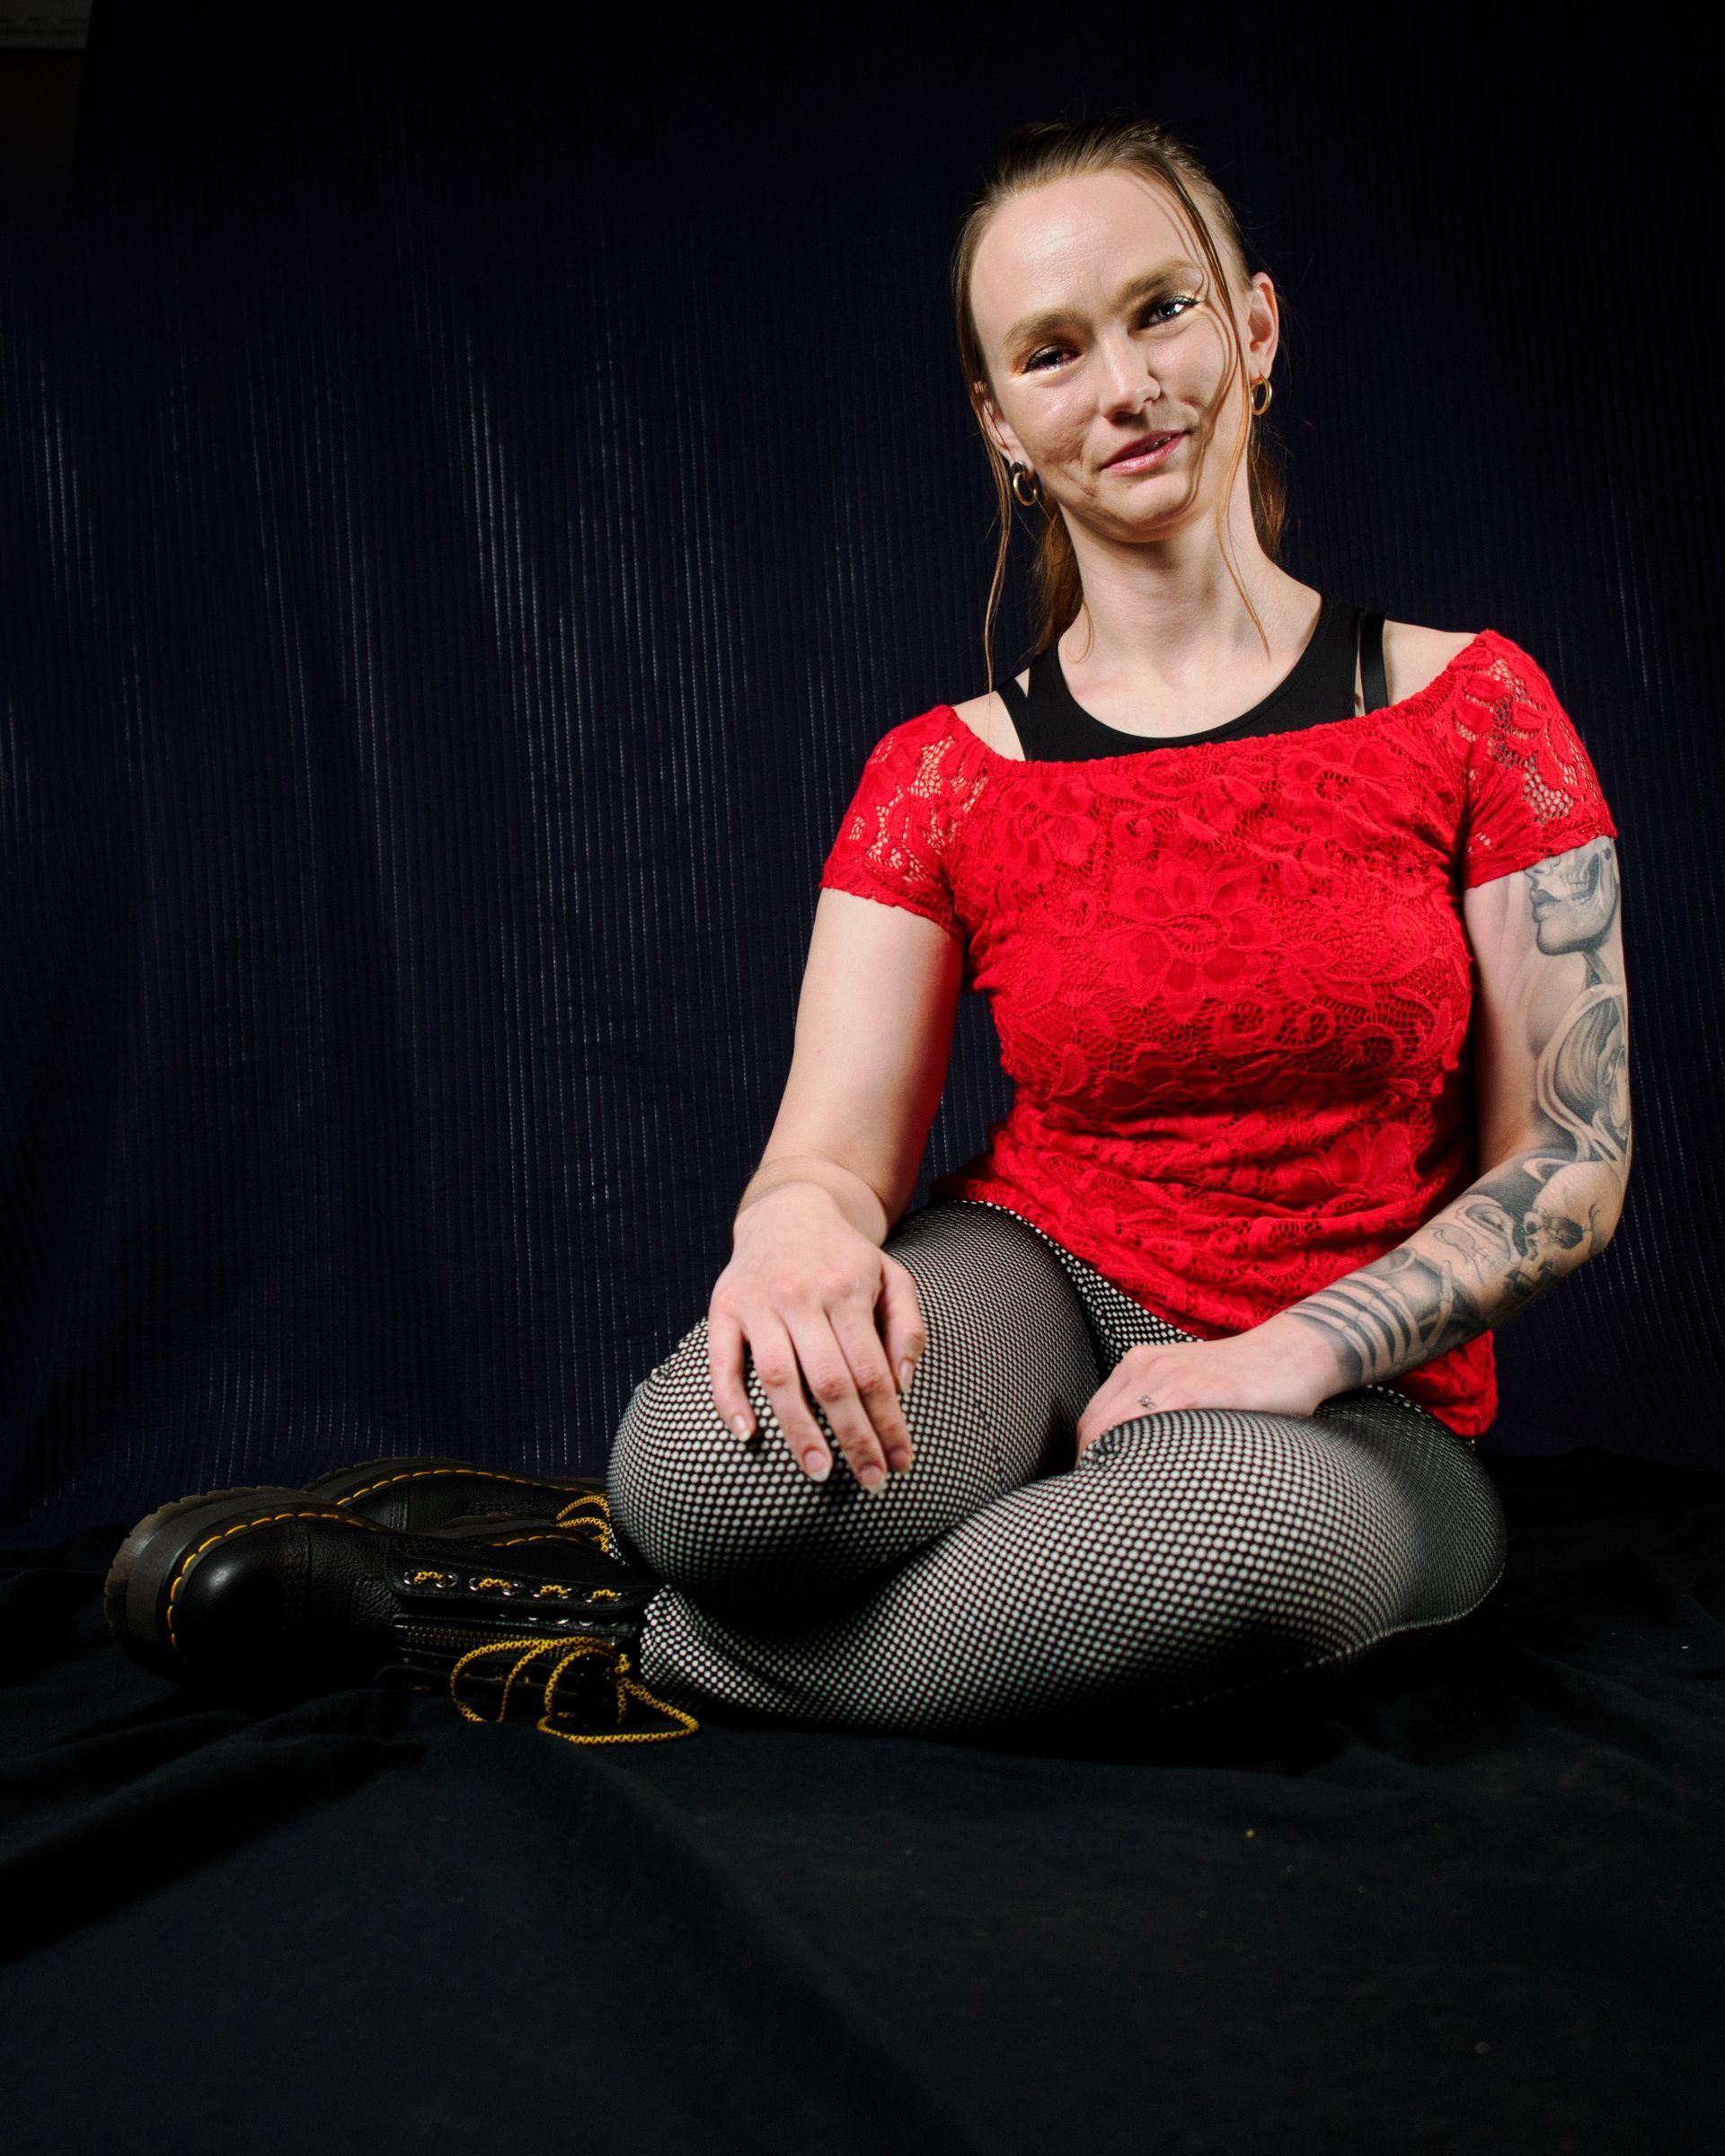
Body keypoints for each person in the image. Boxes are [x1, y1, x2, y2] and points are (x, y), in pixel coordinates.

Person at [106, 113, 1631, 1753]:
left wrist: (1295, 1354)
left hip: (1359, 1405)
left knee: (1234, 1544)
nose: (1124, 385)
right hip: (1044, 1283)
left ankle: (569, 1628)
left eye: (1162, 311)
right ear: (1000, 423)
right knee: (702, 1481)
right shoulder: (942, 775)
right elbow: (829, 1154)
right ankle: (739, 1570)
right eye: (1052, 352)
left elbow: (1573, 1154)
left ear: (1254, 327)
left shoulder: (1474, 707)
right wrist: (794, 1237)